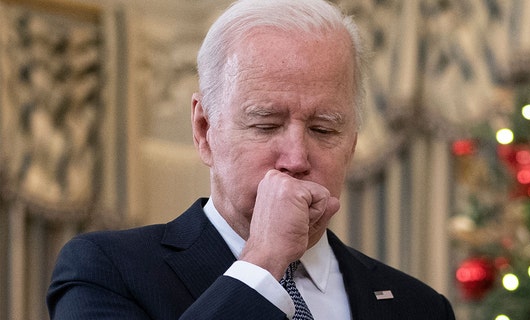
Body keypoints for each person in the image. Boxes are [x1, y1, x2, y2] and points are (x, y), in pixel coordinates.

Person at [46, 0, 456, 319]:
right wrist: (262, 262)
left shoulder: (419, 306)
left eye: (324, 129)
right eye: (265, 125)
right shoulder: (107, 270)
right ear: (205, 130)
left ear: (351, 143)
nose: (295, 159)